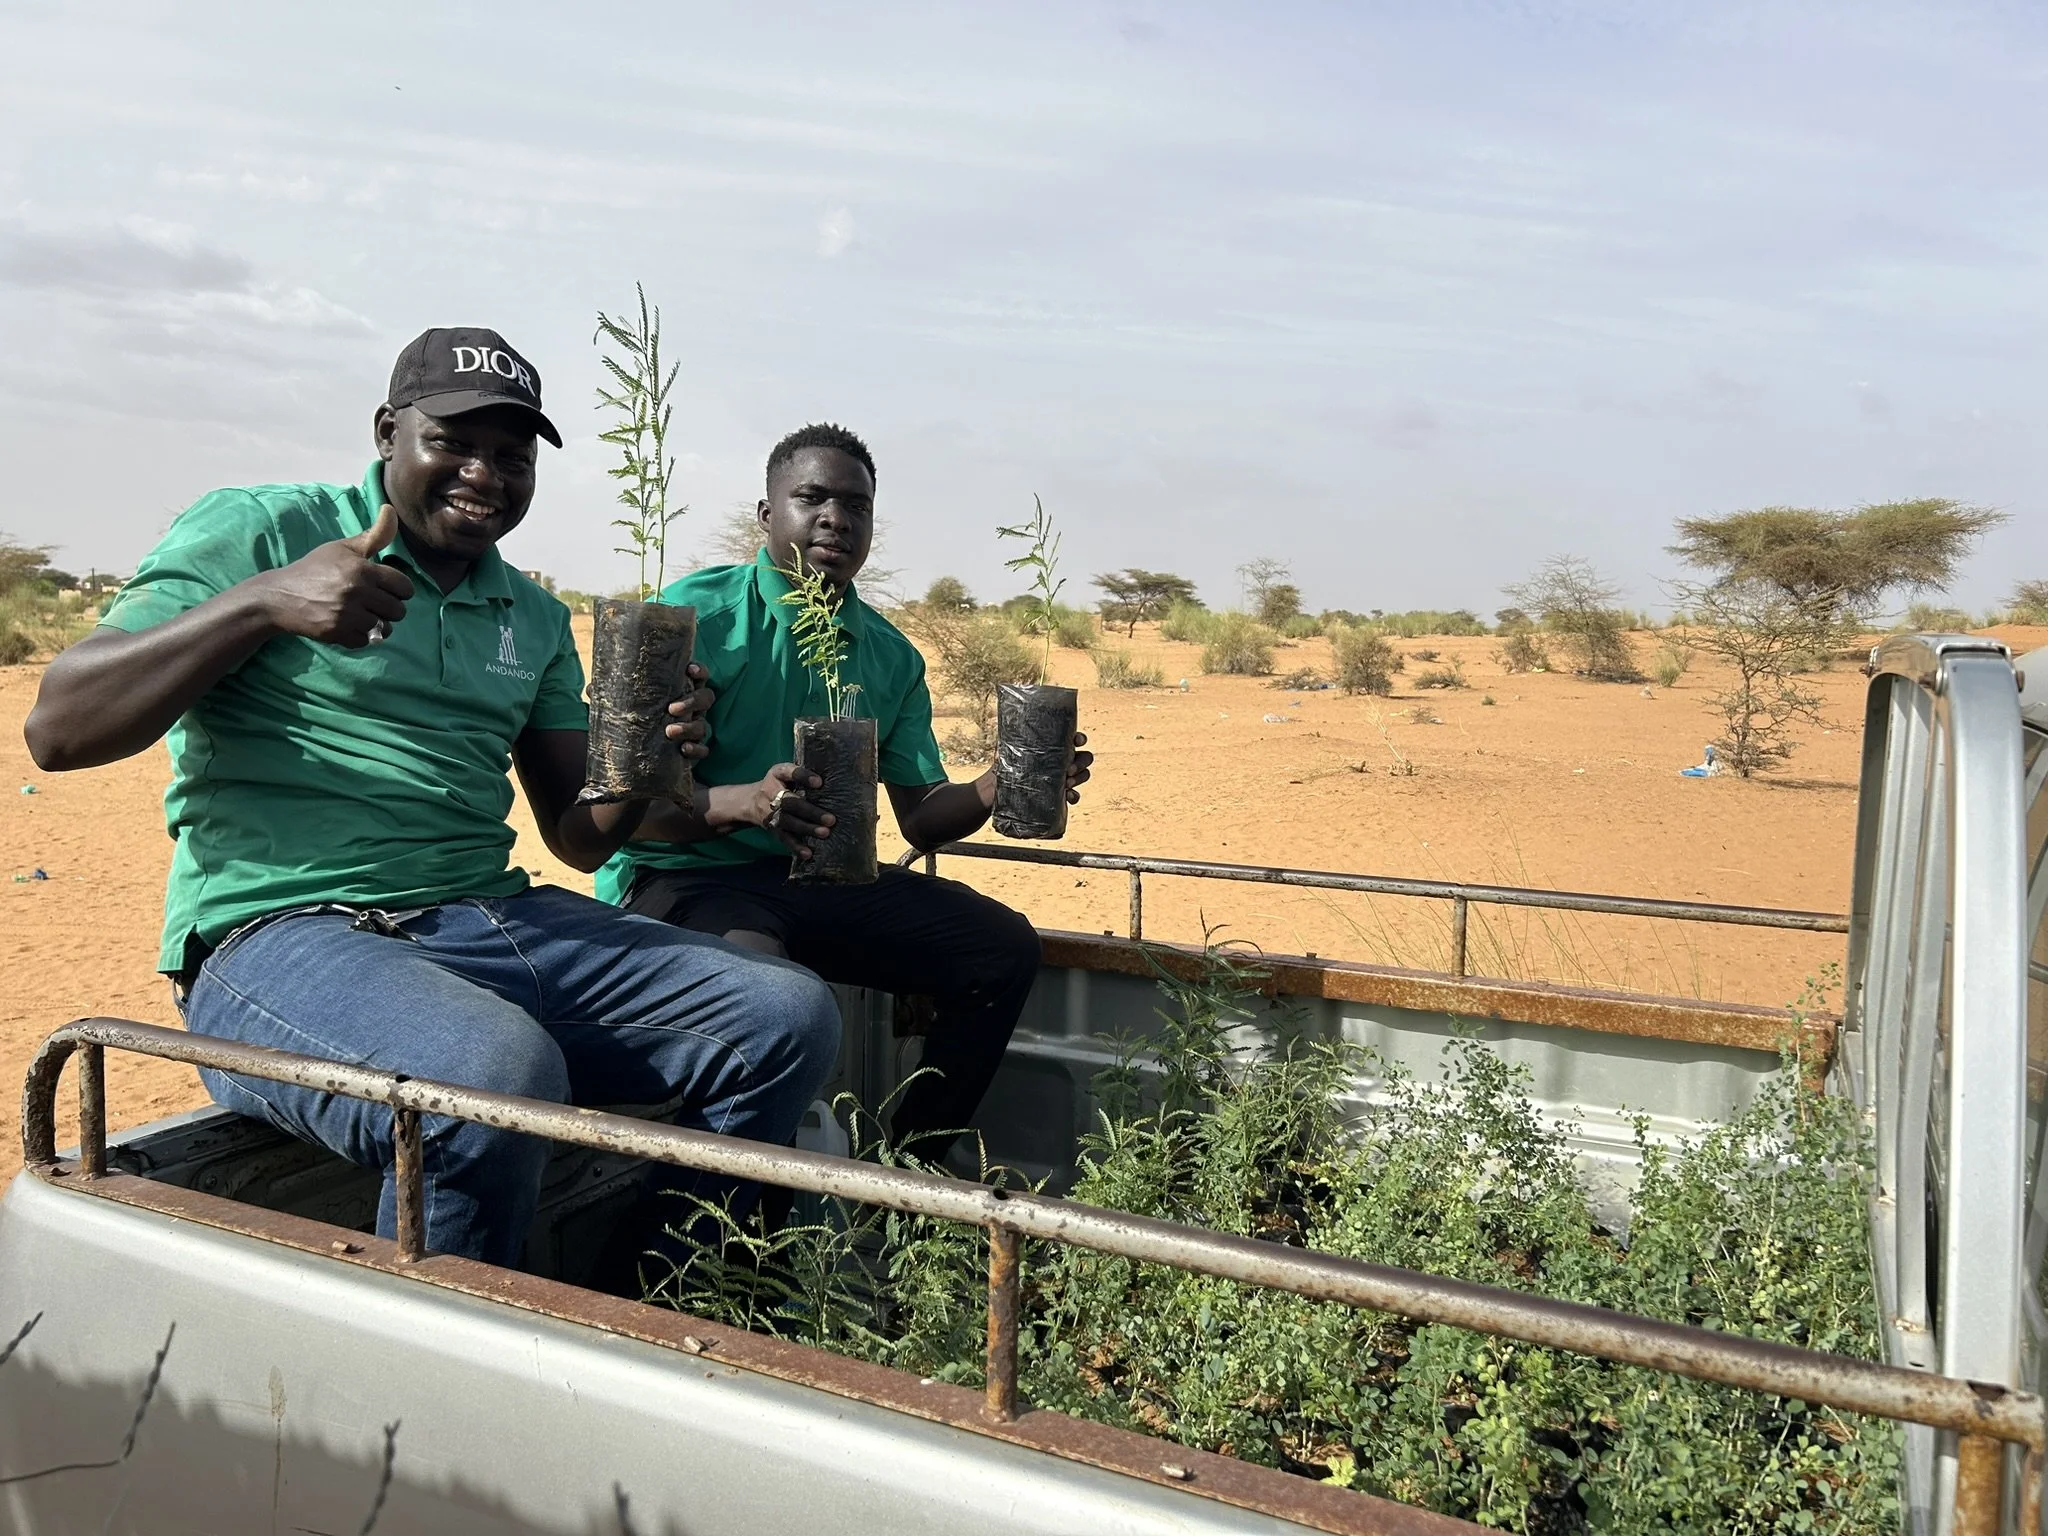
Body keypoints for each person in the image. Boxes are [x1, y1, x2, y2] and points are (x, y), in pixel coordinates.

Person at [23, 328, 842, 1269]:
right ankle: (444, 1374)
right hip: (280, 933)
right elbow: (60, 728)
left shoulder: (529, 614)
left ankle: (669, 1291)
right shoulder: (266, 531)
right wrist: (264, 604)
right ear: (387, 434)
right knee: (492, 1077)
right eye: (453, 442)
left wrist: (641, 764)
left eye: (511, 455)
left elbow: (578, 837)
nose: (484, 473)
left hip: (486, 916)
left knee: (786, 1016)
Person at [595, 423, 1091, 1163]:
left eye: (856, 505)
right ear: (768, 517)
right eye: (813, 498)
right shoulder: (692, 620)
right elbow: (628, 808)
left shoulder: (888, 654)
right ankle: (737, 1243)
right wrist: (746, 802)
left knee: (1001, 949)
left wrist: (998, 782)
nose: (836, 518)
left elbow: (921, 818)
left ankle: (907, 1176)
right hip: (684, 878)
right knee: (770, 1000)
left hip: (820, 878)